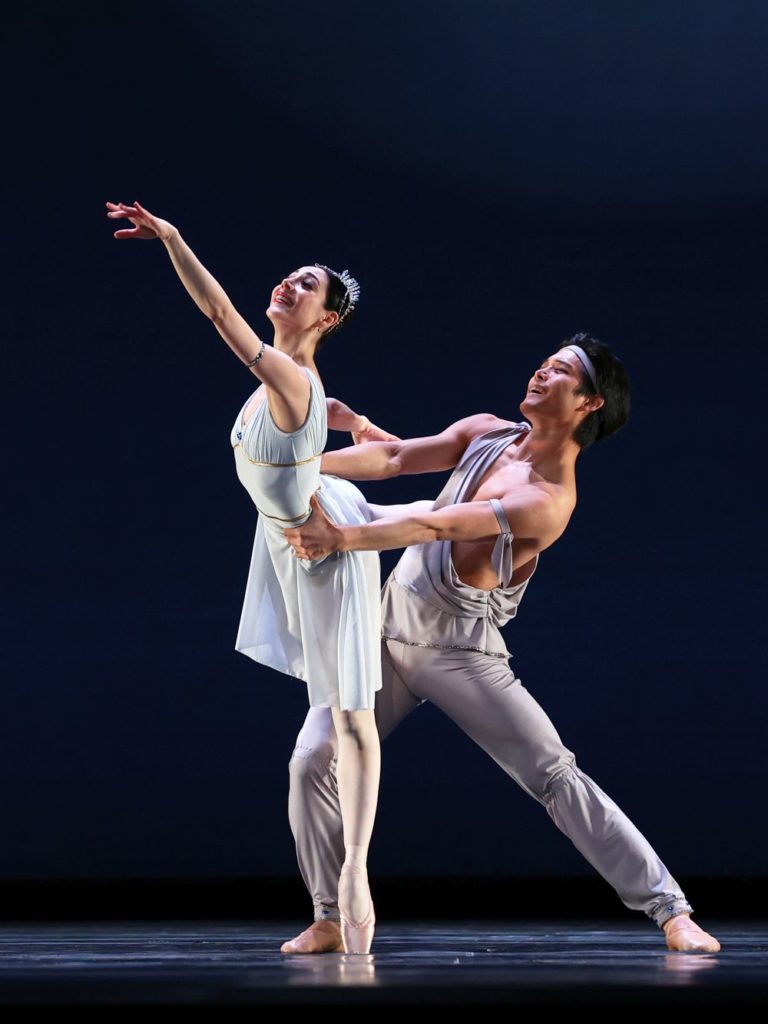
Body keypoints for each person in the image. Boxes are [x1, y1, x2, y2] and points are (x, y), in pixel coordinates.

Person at [283, 334, 721, 955]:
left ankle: (671, 909)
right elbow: (397, 458)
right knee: (311, 761)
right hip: (383, 638)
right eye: (547, 360)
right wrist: (295, 464)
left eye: (562, 370)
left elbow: (434, 523)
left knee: (554, 775)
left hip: (460, 655)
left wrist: (343, 539)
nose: (544, 370)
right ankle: (330, 915)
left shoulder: (548, 501)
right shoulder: (487, 432)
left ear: (589, 404)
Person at [106, 200, 392, 953]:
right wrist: (354, 423)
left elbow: (219, 314)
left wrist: (171, 237)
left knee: (353, 721)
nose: (289, 286)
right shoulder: (298, 383)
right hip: (292, 543)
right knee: (317, 743)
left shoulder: (287, 377)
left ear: (326, 318)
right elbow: (314, 413)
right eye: (290, 277)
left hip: (324, 552)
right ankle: (329, 911)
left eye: (306, 286)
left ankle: (356, 883)